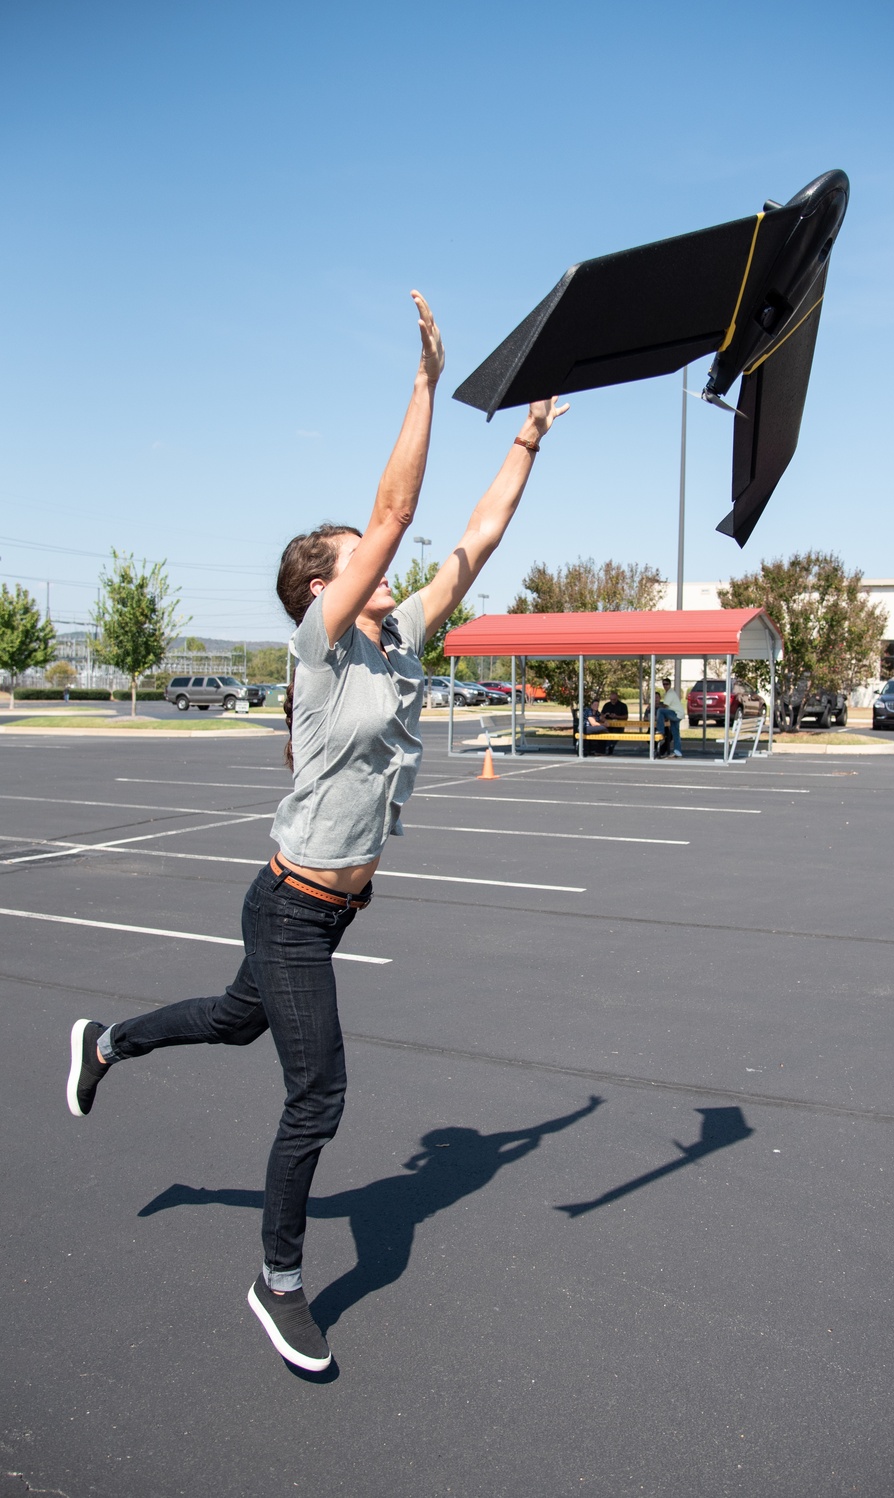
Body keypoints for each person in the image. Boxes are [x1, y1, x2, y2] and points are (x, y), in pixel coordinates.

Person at [65, 291, 569, 1372]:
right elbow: (392, 513)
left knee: (239, 1021)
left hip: (331, 906)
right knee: (320, 1091)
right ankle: (278, 1278)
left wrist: (525, 438)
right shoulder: (321, 647)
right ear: (320, 588)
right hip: (294, 906)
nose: (382, 555)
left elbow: (472, 541)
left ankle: (106, 1040)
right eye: (356, 554)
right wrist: (427, 383)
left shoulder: (399, 641)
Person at [656, 676, 685, 758]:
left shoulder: (670, 693)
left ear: (670, 684)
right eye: (664, 684)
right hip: (677, 714)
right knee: (676, 734)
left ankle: (660, 730)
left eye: (667, 684)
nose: (665, 686)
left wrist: (653, 705)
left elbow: (664, 706)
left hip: (676, 714)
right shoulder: (669, 693)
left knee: (660, 710)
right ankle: (678, 752)